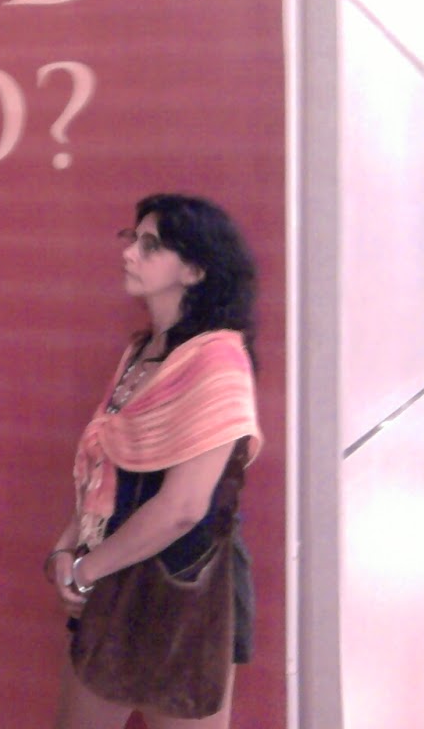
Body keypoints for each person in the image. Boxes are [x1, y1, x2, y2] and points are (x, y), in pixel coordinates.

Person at [47, 194, 263, 729]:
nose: (129, 253)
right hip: (113, 570)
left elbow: (184, 508)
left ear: (195, 270)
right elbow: (104, 469)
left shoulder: (218, 361)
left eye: (151, 246)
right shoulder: (140, 351)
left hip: (183, 585)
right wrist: (66, 548)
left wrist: (87, 571)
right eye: (132, 239)